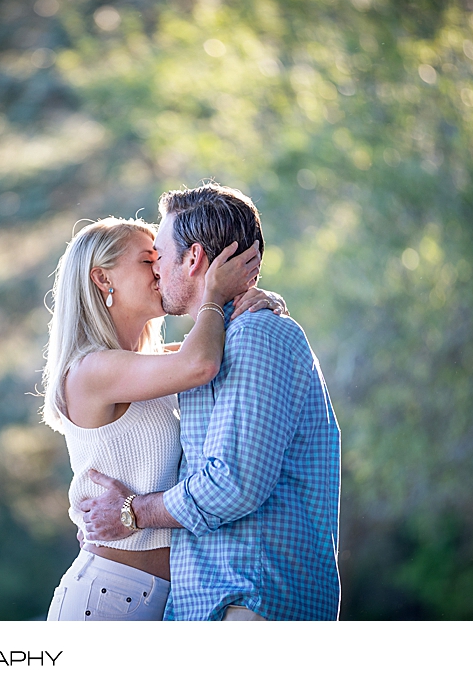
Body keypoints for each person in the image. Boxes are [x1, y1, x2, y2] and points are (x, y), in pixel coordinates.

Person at [80, 182, 341, 621]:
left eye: (157, 256)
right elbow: (192, 361)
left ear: (195, 258)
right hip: (215, 607)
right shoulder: (211, 348)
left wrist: (133, 512)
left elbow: (231, 484)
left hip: (250, 603)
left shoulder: (257, 335)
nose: (155, 271)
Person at [41, 216, 285, 621]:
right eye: (145, 260)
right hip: (107, 598)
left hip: (163, 599)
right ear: (103, 280)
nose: (160, 269)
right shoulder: (90, 371)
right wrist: (213, 292)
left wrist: (258, 301)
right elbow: (201, 363)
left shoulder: (149, 366)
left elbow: (207, 352)